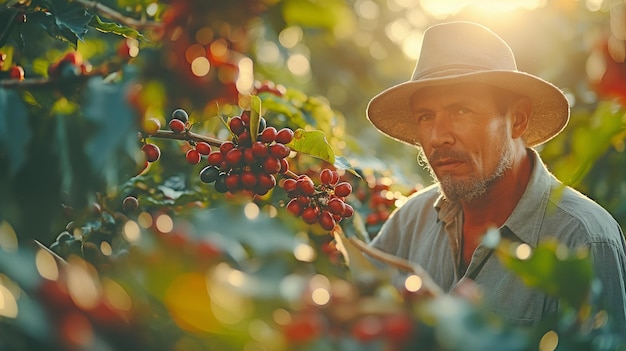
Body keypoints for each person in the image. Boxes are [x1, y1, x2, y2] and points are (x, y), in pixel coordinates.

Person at [366, 21, 626, 329]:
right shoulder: (411, 220)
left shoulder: (584, 240)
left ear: (517, 119)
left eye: (461, 110)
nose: (438, 136)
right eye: (426, 116)